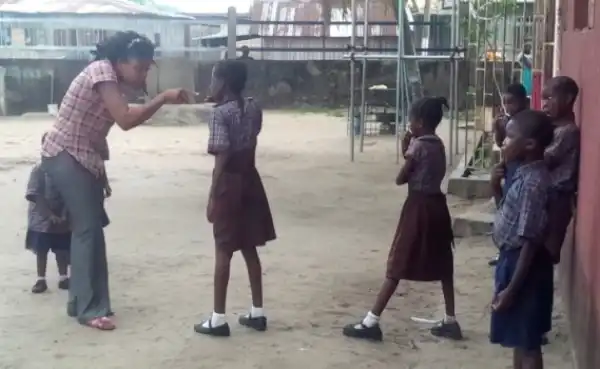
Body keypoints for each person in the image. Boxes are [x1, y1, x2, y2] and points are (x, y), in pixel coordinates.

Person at [40, 31, 189, 331]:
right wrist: (162, 98)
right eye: (140, 67)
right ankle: (90, 309)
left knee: (87, 230)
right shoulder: (101, 71)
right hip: (67, 153)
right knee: (88, 231)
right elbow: (124, 119)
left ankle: (80, 302)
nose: (143, 73)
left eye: (147, 68)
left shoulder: (112, 77)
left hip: (79, 156)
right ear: (120, 62)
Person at [342, 97, 461, 342]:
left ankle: (371, 321)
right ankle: (451, 320)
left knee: (398, 262)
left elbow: (401, 178)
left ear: (418, 122)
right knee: (443, 263)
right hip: (438, 205)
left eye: (410, 120)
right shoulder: (438, 143)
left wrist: (406, 149)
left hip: (418, 206)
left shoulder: (417, 147)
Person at [194, 60, 276, 337]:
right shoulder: (253, 107)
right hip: (251, 180)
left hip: (230, 182)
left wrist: (213, 194)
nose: (210, 86)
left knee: (223, 249)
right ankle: (257, 312)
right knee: (249, 246)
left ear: (224, 83)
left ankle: (218, 318)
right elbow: (253, 134)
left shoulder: (219, 114)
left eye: (213, 80)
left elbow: (222, 156)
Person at [489, 109, 555, 369]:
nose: (504, 142)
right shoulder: (522, 173)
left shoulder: (533, 183)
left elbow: (530, 240)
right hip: (511, 260)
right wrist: (496, 188)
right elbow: (509, 214)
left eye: (509, 137)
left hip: (525, 267)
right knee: (518, 338)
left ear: (529, 144)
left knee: (528, 343)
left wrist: (511, 290)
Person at [489, 83, 530, 267]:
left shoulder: (528, 123)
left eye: (511, 102)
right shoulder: (506, 120)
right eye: (504, 102)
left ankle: (516, 253)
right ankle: (503, 249)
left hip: (522, 171)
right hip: (509, 168)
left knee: (518, 213)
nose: (507, 106)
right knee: (505, 206)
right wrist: (498, 130)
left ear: (524, 102)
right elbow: (502, 144)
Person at [541, 76, 580, 263]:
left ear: (567, 98)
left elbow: (544, 159)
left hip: (558, 198)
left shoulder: (568, 132)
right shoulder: (555, 128)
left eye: (550, 98)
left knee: (547, 252)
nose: (545, 105)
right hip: (548, 195)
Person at [26, 134, 70, 294]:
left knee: (62, 249)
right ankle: (41, 279)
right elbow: (35, 195)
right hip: (41, 218)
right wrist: (49, 215)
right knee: (41, 250)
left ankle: (63, 276)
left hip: (61, 216)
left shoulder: (66, 170)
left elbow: (70, 194)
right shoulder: (39, 169)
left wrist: (65, 214)